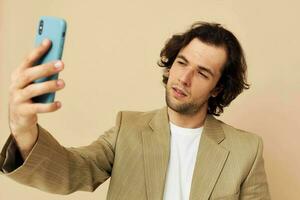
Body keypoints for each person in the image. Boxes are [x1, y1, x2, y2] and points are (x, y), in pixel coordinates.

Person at [0, 22, 271, 199]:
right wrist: (23, 129)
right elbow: (71, 171)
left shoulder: (245, 150)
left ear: (217, 88)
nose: (184, 78)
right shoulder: (127, 129)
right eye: (181, 62)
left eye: (201, 73)